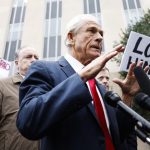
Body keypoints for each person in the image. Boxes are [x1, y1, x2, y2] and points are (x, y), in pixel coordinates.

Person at [16, 14, 142, 150]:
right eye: (91, 31)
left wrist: (128, 97)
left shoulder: (101, 89)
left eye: (101, 33)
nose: (100, 37)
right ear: (71, 38)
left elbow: (117, 134)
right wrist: (82, 76)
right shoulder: (45, 69)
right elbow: (29, 122)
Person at [0, 46, 39, 150]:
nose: (34, 60)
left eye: (36, 57)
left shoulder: (46, 88)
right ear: (17, 63)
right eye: (28, 57)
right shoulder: (2, 86)